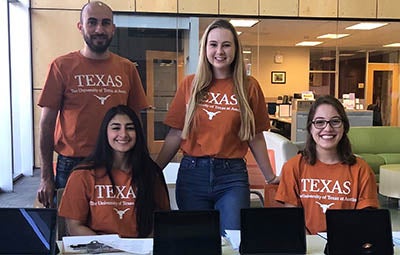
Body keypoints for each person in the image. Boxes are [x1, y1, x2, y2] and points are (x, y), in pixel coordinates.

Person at [155, 19, 278, 233]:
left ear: (236, 49)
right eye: (213, 44)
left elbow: (255, 136)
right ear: (205, 48)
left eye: (226, 45)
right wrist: (154, 171)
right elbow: (175, 133)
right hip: (193, 174)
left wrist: (270, 177)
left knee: (234, 237)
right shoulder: (190, 84)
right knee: (196, 240)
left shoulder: (249, 86)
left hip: (232, 176)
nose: (219, 51)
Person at [37, 1, 148, 208]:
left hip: (117, 161)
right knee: (66, 231)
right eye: (92, 22)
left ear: (113, 28)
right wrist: (45, 176)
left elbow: (135, 121)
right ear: (80, 27)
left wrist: (140, 162)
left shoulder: (127, 68)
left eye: (106, 23)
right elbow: (46, 124)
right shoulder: (61, 66)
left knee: (116, 228)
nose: (99, 29)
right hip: (72, 164)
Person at [58, 105, 170, 237]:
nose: (123, 134)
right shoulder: (83, 174)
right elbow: (74, 227)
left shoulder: (151, 173)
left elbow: (161, 223)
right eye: (116, 128)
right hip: (97, 249)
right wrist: (110, 248)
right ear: (105, 132)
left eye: (130, 128)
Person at [275, 95, 379, 235]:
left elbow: (365, 221)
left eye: (335, 121)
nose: (328, 128)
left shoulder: (361, 170)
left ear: (344, 126)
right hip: (307, 245)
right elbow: (293, 220)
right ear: (310, 128)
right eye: (319, 122)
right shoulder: (293, 167)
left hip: (346, 245)